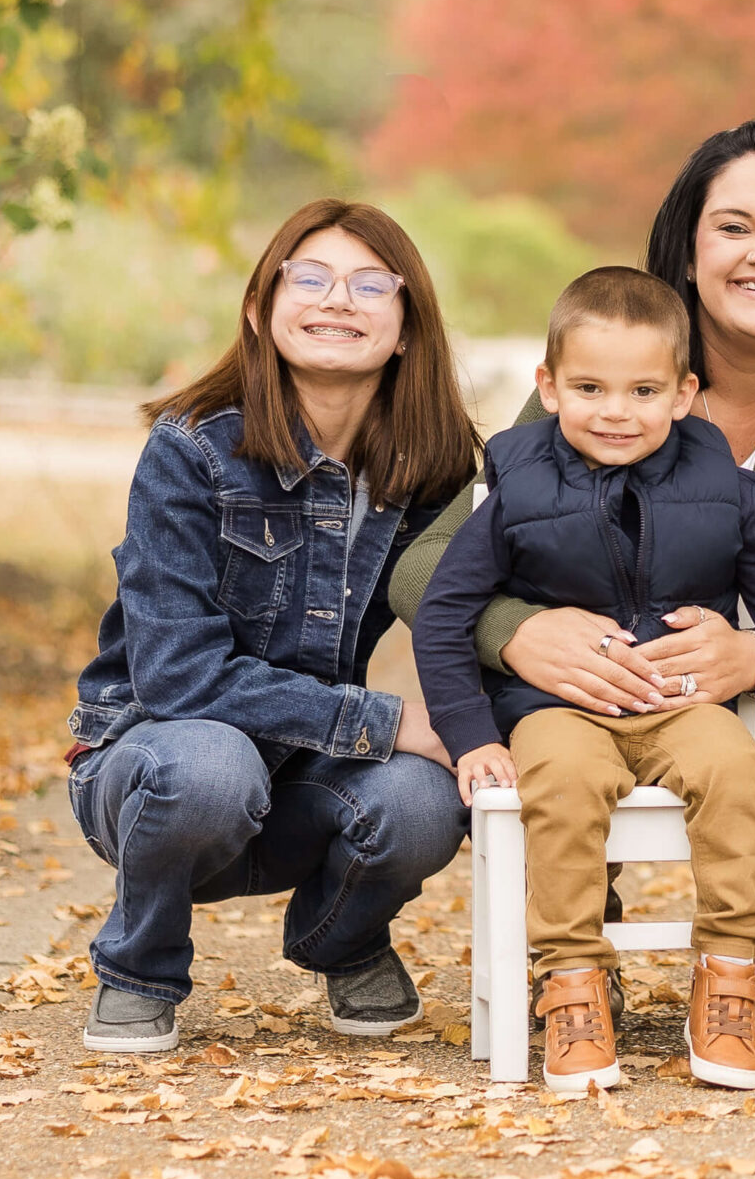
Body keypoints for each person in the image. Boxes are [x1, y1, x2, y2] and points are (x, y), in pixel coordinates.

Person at [393, 122, 755, 1031]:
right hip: (594, 676)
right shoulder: (607, 366)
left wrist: (753, 658)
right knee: (548, 725)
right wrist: (517, 630)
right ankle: (579, 933)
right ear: (687, 245)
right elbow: (430, 566)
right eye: (734, 227)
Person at [66, 200, 476, 1054]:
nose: (339, 301)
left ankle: (343, 938)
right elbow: (178, 676)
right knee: (212, 764)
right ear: (260, 308)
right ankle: (139, 966)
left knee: (426, 800)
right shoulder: (190, 450)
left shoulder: (434, 465)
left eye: (371, 284)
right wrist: (391, 720)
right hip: (159, 766)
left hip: (307, 779)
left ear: (405, 329)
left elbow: (480, 601)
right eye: (311, 278)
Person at [414, 267, 755, 1093]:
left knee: (733, 776)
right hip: (556, 709)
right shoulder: (516, 489)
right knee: (563, 788)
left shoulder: (728, 490)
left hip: (682, 704)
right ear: (548, 387)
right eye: (590, 388)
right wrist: (471, 736)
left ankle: (727, 975)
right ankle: (571, 984)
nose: (616, 410)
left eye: (643, 390)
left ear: (683, 394)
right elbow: (443, 613)